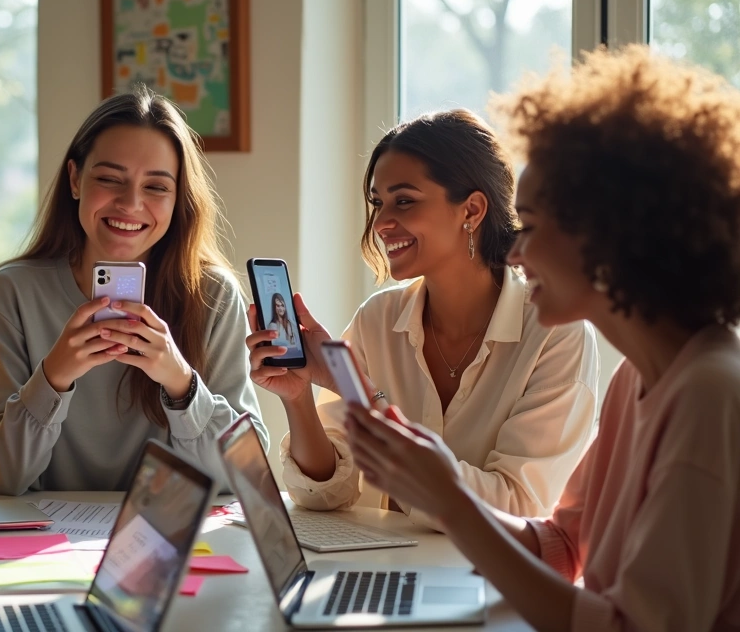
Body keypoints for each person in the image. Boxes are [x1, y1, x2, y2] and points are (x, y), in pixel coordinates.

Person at [345, 46, 740, 631]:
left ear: (605, 237)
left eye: (531, 227)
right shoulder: (640, 375)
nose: (519, 251)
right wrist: (441, 491)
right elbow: (562, 545)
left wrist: (451, 501)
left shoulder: (709, 394)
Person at [247, 108, 598, 529]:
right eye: (378, 203)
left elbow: (517, 506)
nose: (381, 223)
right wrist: (298, 396)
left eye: (405, 201)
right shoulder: (377, 320)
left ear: (471, 210)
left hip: (492, 582)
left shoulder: (555, 333)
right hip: (387, 568)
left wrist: (359, 392)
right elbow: (326, 494)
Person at [0, 86, 266, 495]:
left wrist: (180, 383)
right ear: (75, 179)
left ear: (179, 198)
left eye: (156, 187)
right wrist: (53, 377)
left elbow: (248, 476)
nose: (130, 203)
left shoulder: (213, 295)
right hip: (42, 550)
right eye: (109, 179)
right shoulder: (14, 292)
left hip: (168, 545)